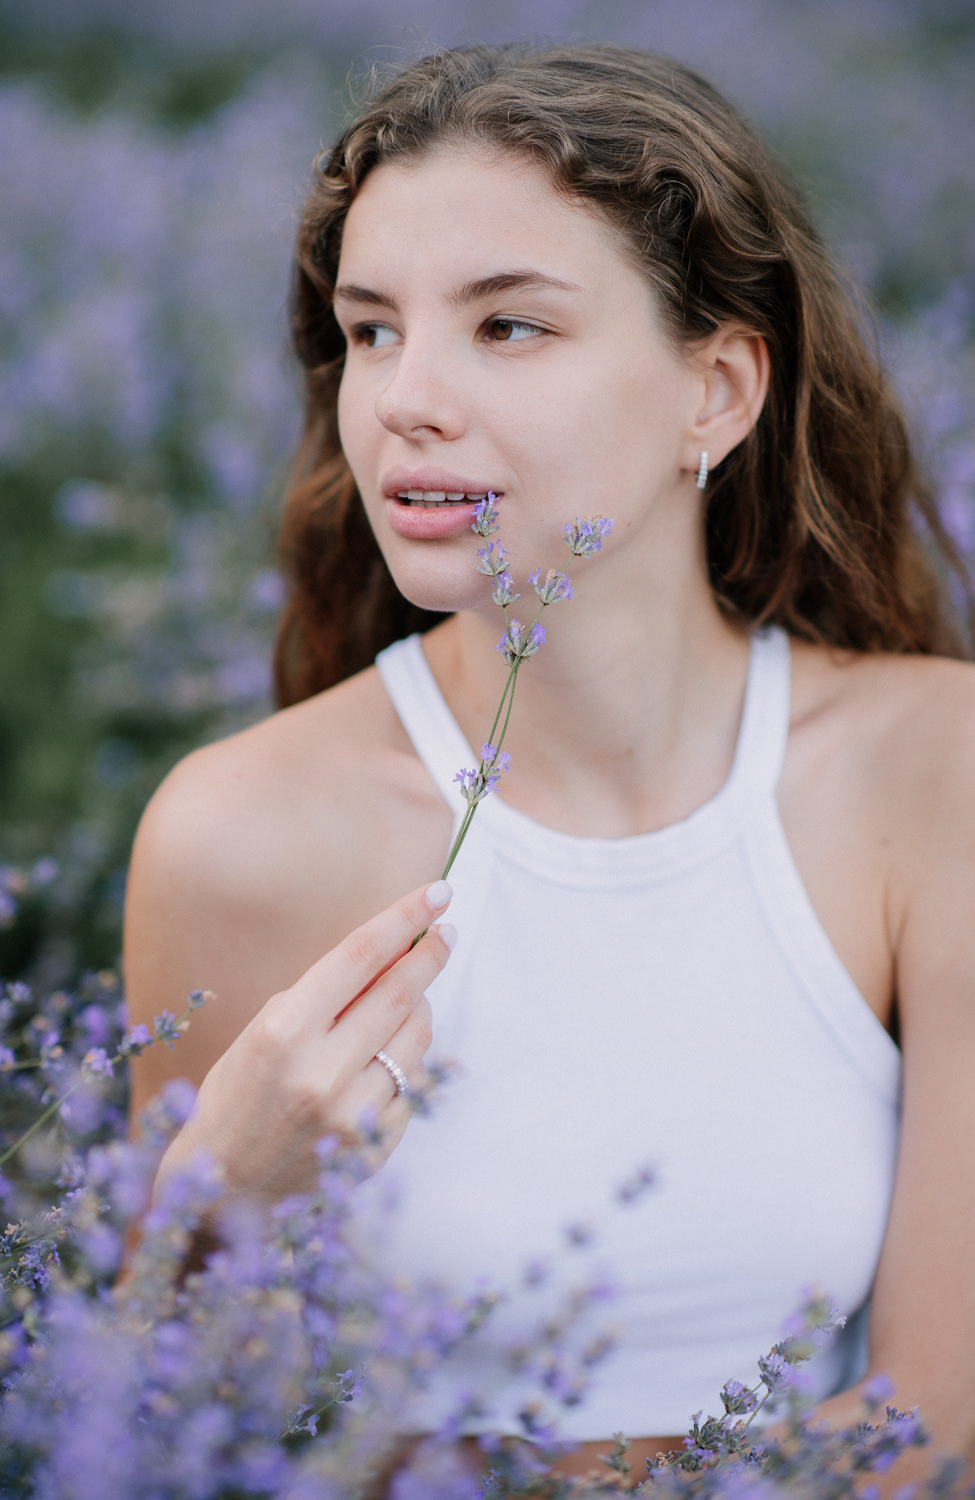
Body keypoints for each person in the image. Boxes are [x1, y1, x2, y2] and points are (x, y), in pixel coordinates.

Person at [125, 43, 975, 1491]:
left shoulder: (929, 765)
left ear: (715, 390)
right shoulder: (240, 836)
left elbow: (934, 1418)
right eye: (372, 330)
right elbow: (157, 1432)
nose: (405, 398)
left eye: (507, 327)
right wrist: (209, 1212)